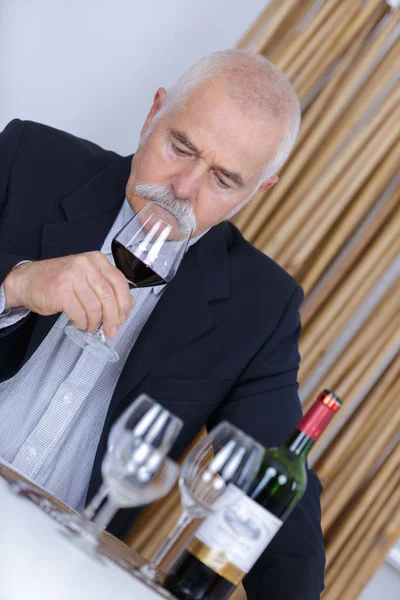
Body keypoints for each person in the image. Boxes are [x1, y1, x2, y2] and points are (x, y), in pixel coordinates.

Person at [0, 50, 325, 598]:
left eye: (223, 178)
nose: (182, 189)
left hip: (45, 571)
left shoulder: (261, 306)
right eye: (181, 147)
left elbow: (276, 496)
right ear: (154, 113)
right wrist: (15, 286)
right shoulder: (27, 158)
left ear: (257, 192)